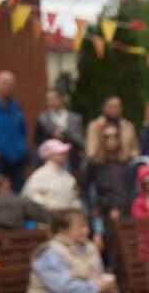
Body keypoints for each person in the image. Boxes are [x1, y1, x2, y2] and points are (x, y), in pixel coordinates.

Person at [86, 125, 135, 256]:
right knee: (111, 253)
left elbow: (131, 188)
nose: (111, 140)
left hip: (127, 211)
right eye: (107, 137)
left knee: (130, 251)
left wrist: (121, 208)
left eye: (115, 136)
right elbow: (87, 190)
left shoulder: (127, 161)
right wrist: (100, 211)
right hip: (105, 213)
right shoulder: (95, 163)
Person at [22, 140, 82, 213]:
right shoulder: (39, 175)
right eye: (60, 153)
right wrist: (49, 208)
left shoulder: (68, 177)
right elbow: (31, 196)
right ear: (50, 155)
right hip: (47, 219)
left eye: (65, 153)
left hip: (66, 219)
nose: (65, 156)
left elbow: (74, 198)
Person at [34, 88, 84, 174]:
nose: (52, 102)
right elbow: (38, 141)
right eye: (49, 99)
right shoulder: (42, 119)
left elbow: (80, 139)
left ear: (61, 99)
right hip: (51, 161)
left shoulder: (74, 118)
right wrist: (51, 136)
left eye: (54, 98)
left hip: (72, 158)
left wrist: (69, 141)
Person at [86, 95, 140, 165]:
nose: (115, 110)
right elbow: (91, 149)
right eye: (111, 107)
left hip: (124, 165)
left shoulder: (129, 126)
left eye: (118, 107)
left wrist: (132, 158)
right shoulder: (95, 126)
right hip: (101, 165)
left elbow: (135, 148)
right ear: (104, 108)